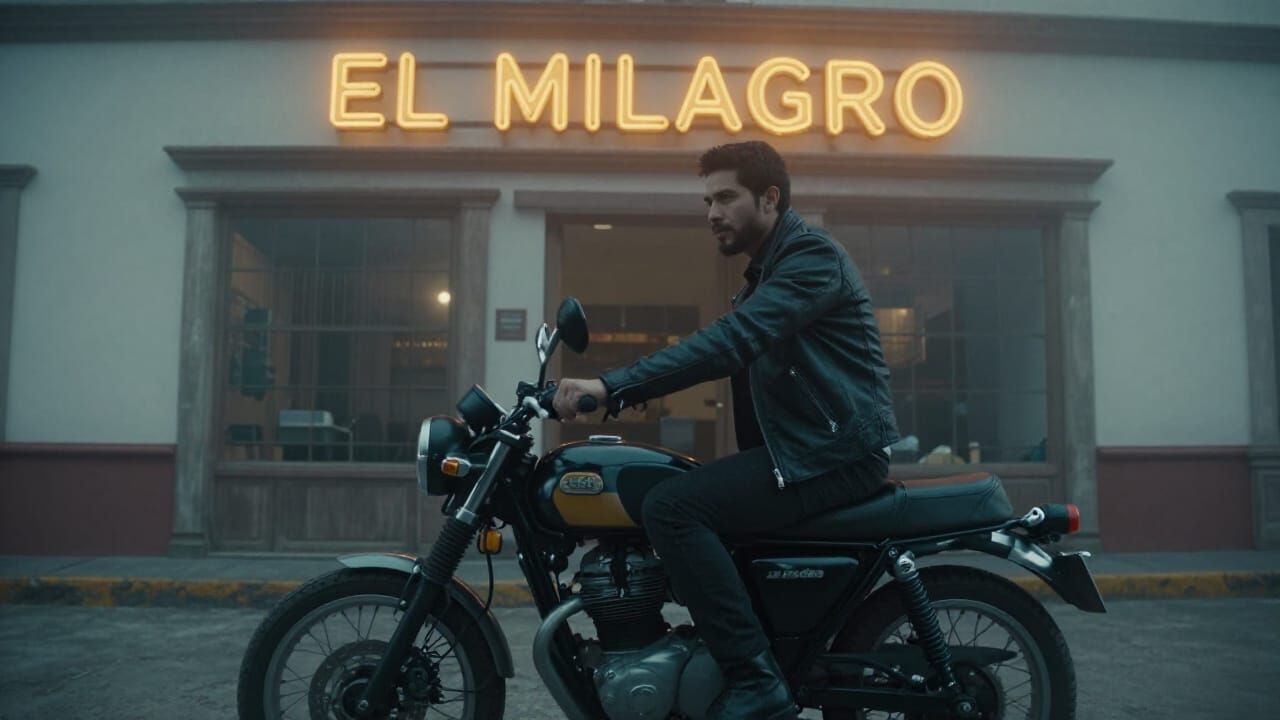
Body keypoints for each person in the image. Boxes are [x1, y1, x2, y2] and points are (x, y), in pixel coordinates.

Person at [552, 140, 899, 720]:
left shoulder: (810, 259)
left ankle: (753, 678)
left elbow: (728, 344)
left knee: (673, 508)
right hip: (804, 453)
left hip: (834, 454)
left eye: (726, 197)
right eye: (707, 199)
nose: (711, 211)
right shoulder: (765, 276)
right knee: (688, 493)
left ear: (769, 197)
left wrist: (613, 386)